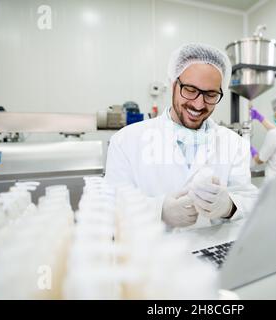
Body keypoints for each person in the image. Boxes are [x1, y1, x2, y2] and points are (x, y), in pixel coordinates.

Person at [105, 43, 257, 230]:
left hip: (213, 252)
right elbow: (109, 205)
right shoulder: (126, 140)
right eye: (191, 90)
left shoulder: (235, 144)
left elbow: (250, 200)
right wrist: (158, 211)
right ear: (173, 84)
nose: (199, 104)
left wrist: (229, 206)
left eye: (210, 94)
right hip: (152, 253)